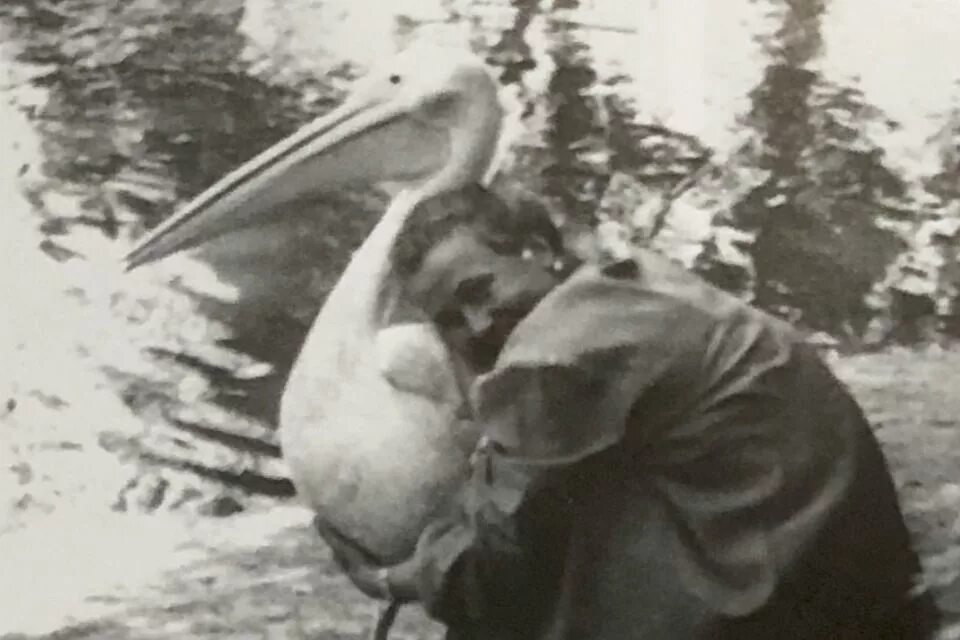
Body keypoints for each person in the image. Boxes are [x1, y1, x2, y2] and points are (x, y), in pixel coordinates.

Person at [315, 184, 940, 639]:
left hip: (789, 593)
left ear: (535, 247)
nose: (476, 326)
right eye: (449, 321)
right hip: (854, 555)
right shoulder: (627, 279)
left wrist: (397, 579)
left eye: (481, 290)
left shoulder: (549, 357)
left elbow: (496, 565)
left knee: (512, 585)